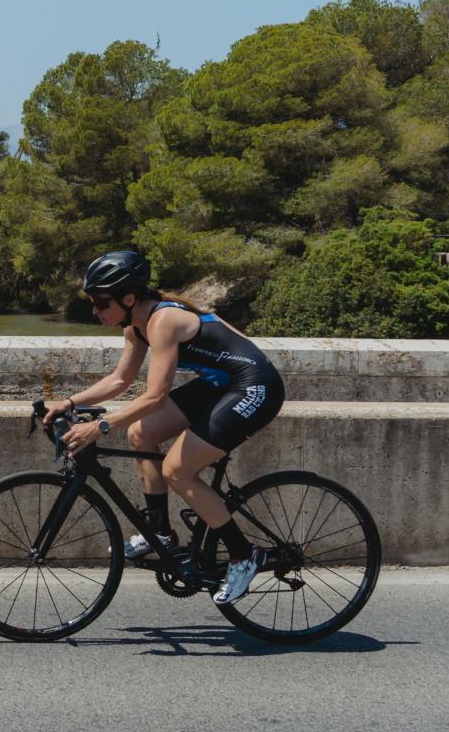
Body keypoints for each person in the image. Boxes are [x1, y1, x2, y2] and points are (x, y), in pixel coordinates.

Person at [40, 250, 285, 605]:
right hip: (222, 384)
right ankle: (160, 532)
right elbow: (120, 379)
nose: (94, 309)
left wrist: (100, 426)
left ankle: (244, 553)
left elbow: (155, 396)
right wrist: (69, 403)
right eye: (92, 301)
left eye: (100, 302)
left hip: (254, 388)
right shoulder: (134, 326)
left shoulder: (162, 321)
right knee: (141, 433)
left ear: (128, 298)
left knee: (177, 470)